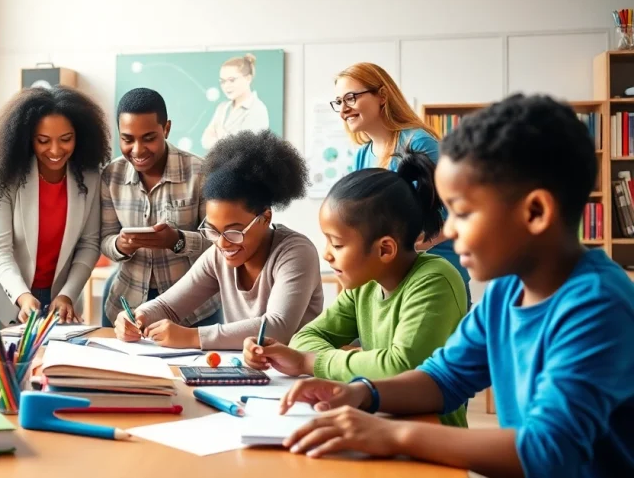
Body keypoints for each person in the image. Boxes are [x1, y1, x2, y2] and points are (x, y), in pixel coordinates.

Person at [276, 95, 634, 478]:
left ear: (535, 212)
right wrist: (363, 392)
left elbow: (548, 451)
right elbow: (445, 378)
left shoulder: (598, 305)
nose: (447, 230)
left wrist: (394, 435)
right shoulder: (505, 293)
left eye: (462, 212)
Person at [243, 149, 468, 427]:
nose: (327, 254)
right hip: (376, 420)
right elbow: (306, 337)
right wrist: (350, 358)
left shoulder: (435, 280)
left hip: (431, 434)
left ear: (385, 249)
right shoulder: (365, 284)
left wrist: (307, 362)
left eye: (336, 244)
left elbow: (400, 368)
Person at [115, 130, 323, 350]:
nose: (222, 243)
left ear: (265, 217)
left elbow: (277, 328)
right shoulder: (218, 257)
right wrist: (139, 316)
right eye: (213, 230)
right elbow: (168, 306)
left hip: (299, 376)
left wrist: (192, 337)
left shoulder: (296, 253)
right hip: (249, 372)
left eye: (234, 231)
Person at [333, 62, 470, 305]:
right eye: (338, 102)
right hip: (391, 277)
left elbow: (457, 210)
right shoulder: (362, 156)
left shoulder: (418, 142)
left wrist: (407, 246)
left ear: (382, 96)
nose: (343, 109)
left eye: (351, 98)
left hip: (435, 275)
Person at [0, 87, 111, 324]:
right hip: (9, 298)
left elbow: (89, 244)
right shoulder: (5, 177)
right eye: (43, 141)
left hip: (61, 301)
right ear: (28, 138)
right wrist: (22, 296)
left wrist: (66, 295)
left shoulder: (91, 176)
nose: (54, 150)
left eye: (66, 139)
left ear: (79, 136)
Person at [100, 88, 222, 328]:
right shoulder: (111, 176)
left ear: (166, 129)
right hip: (126, 308)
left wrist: (177, 240)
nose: (137, 150)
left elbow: (220, 242)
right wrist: (120, 245)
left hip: (192, 311)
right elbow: (104, 239)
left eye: (148, 138)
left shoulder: (200, 173)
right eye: (127, 139)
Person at [201, 54, 270, 150]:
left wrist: (219, 135)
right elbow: (205, 140)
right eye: (222, 81)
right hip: (218, 164)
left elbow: (245, 150)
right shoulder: (222, 107)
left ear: (248, 79)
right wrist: (227, 140)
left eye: (232, 80)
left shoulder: (257, 109)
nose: (226, 86)